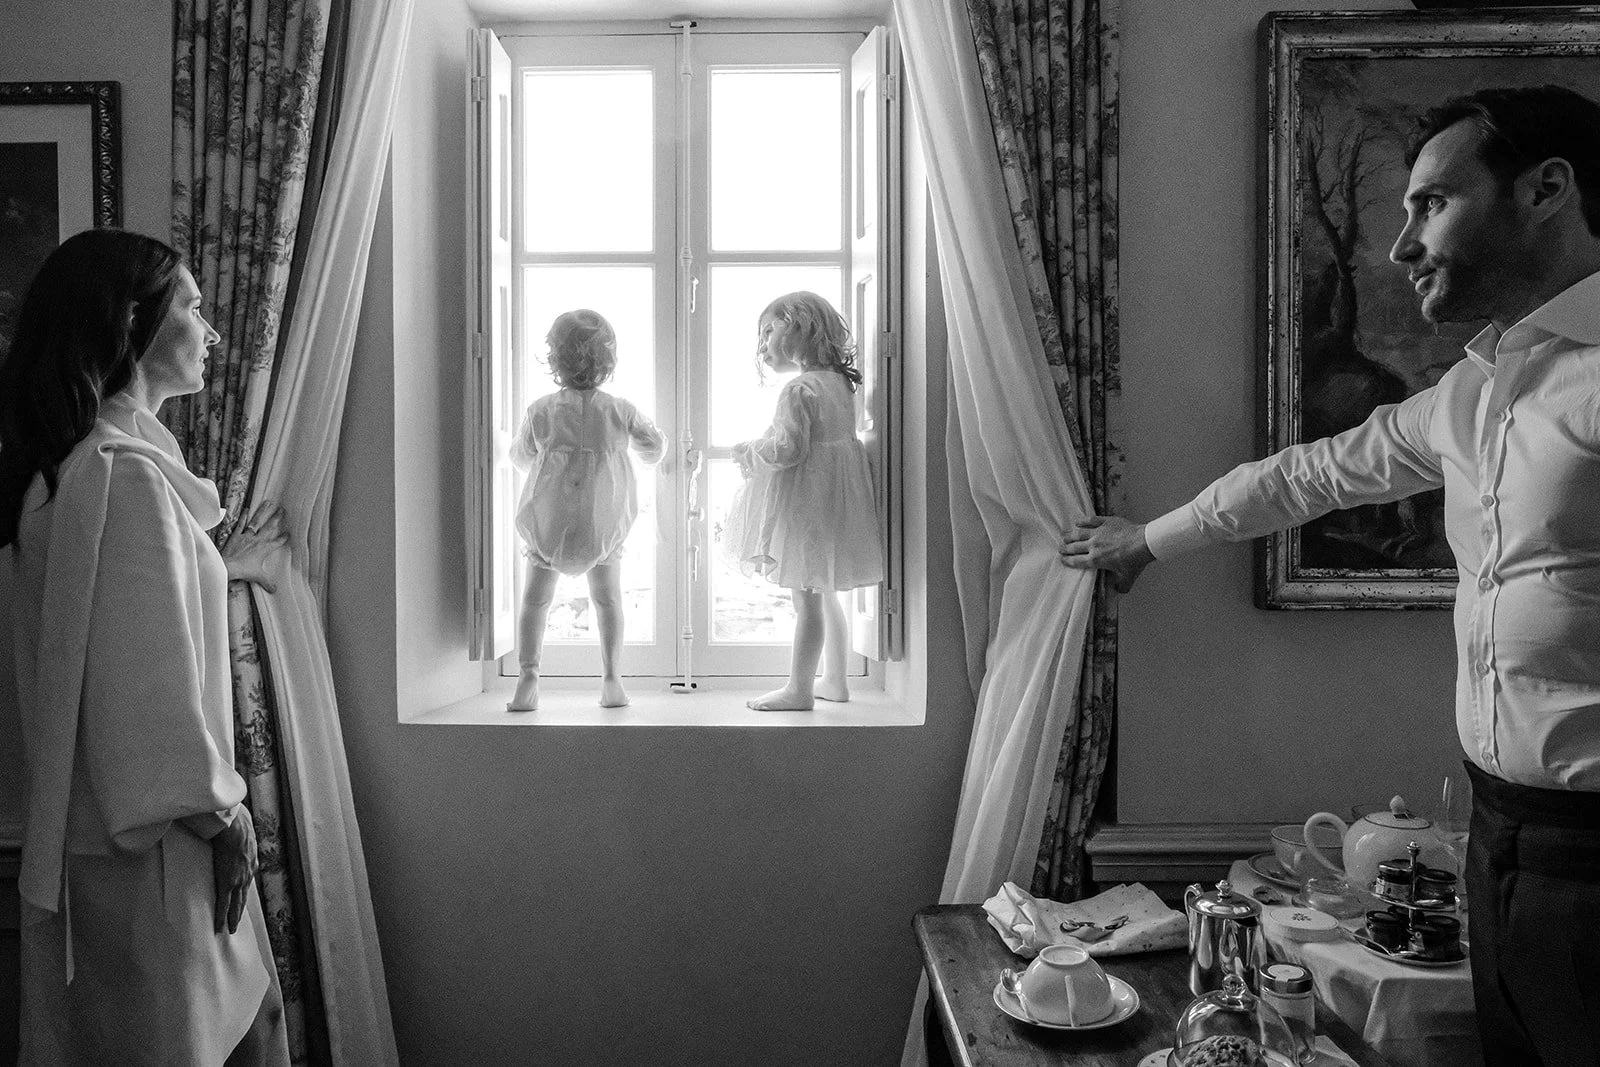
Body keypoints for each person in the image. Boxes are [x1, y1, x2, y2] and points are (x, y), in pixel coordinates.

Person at [1061, 85, 1600, 1065]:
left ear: (1544, 189)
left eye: (1432, 202)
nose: (1400, 244)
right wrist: (1147, 540)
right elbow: (1307, 475)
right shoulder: (1470, 395)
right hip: (1500, 840)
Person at [0, 228, 288, 1064]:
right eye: (193, 308)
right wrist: (224, 816)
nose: (212, 331)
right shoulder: (121, 479)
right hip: (159, 842)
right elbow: (143, 688)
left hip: (110, 839)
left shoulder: (76, 471)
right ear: (134, 319)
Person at [731, 292, 884, 711]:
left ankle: (799, 689)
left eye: (769, 330)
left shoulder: (799, 389)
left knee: (806, 599)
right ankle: (835, 680)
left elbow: (788, 449)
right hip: (836, 499)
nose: (763, 343)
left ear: (799, 328)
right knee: (827, 592)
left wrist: (750, 450)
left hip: (809, 501)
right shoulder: (840, 384)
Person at [508, 309, 666, 711]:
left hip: (549, 520)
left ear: (554, 359)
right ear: (608, 362)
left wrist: (551, 461)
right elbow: (653, 449)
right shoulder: (619, 410)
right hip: (602, 522)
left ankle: (528, 677)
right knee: (608, 600)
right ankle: (612, 679)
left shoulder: (541, 411)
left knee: (535, 601)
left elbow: (521, 457)